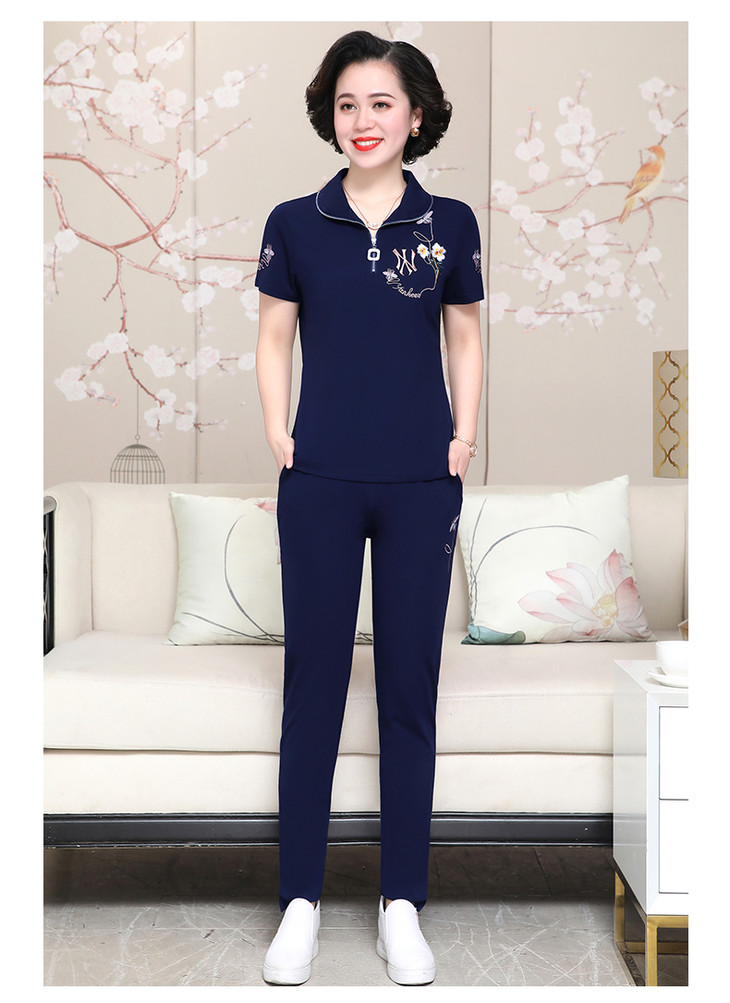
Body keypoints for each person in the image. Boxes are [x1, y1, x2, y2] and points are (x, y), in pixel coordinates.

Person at [255, 29, 483, 986]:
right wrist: (281, 434)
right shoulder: (295, 222)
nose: (363, 120)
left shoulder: (451, 222)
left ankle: (401, 905)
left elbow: (465, 337)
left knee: (407, 688)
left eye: (381, 103)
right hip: (320, 482)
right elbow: (274, 337)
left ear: (415, 116)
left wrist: (462, 437)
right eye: (348, 104)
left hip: (421, 482)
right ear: (331, 115)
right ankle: (300, 903)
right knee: (311, 685)